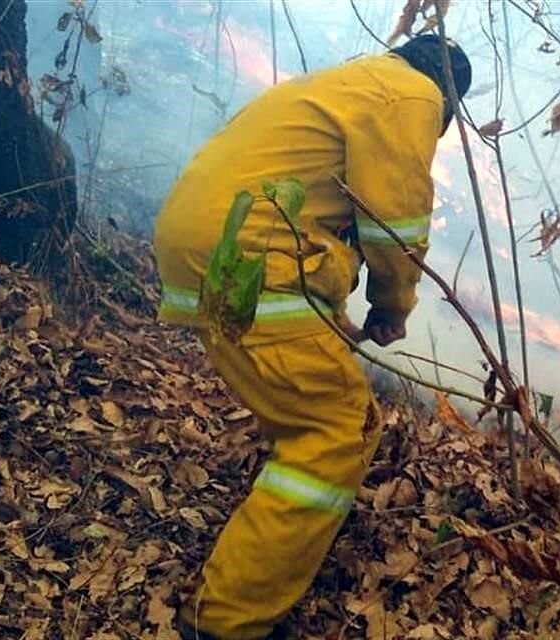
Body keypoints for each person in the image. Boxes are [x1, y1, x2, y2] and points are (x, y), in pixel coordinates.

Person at [153, 35, 471, 640]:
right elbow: (396, 220)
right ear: (449, 96)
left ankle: (261, 555)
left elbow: (323, 211)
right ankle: (227, 621)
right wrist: (392, 306)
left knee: (308, 407)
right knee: (334, 430)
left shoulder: (346, 84)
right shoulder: (412, 93)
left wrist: (333, 309)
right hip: (253, 257)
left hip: (205, 248)